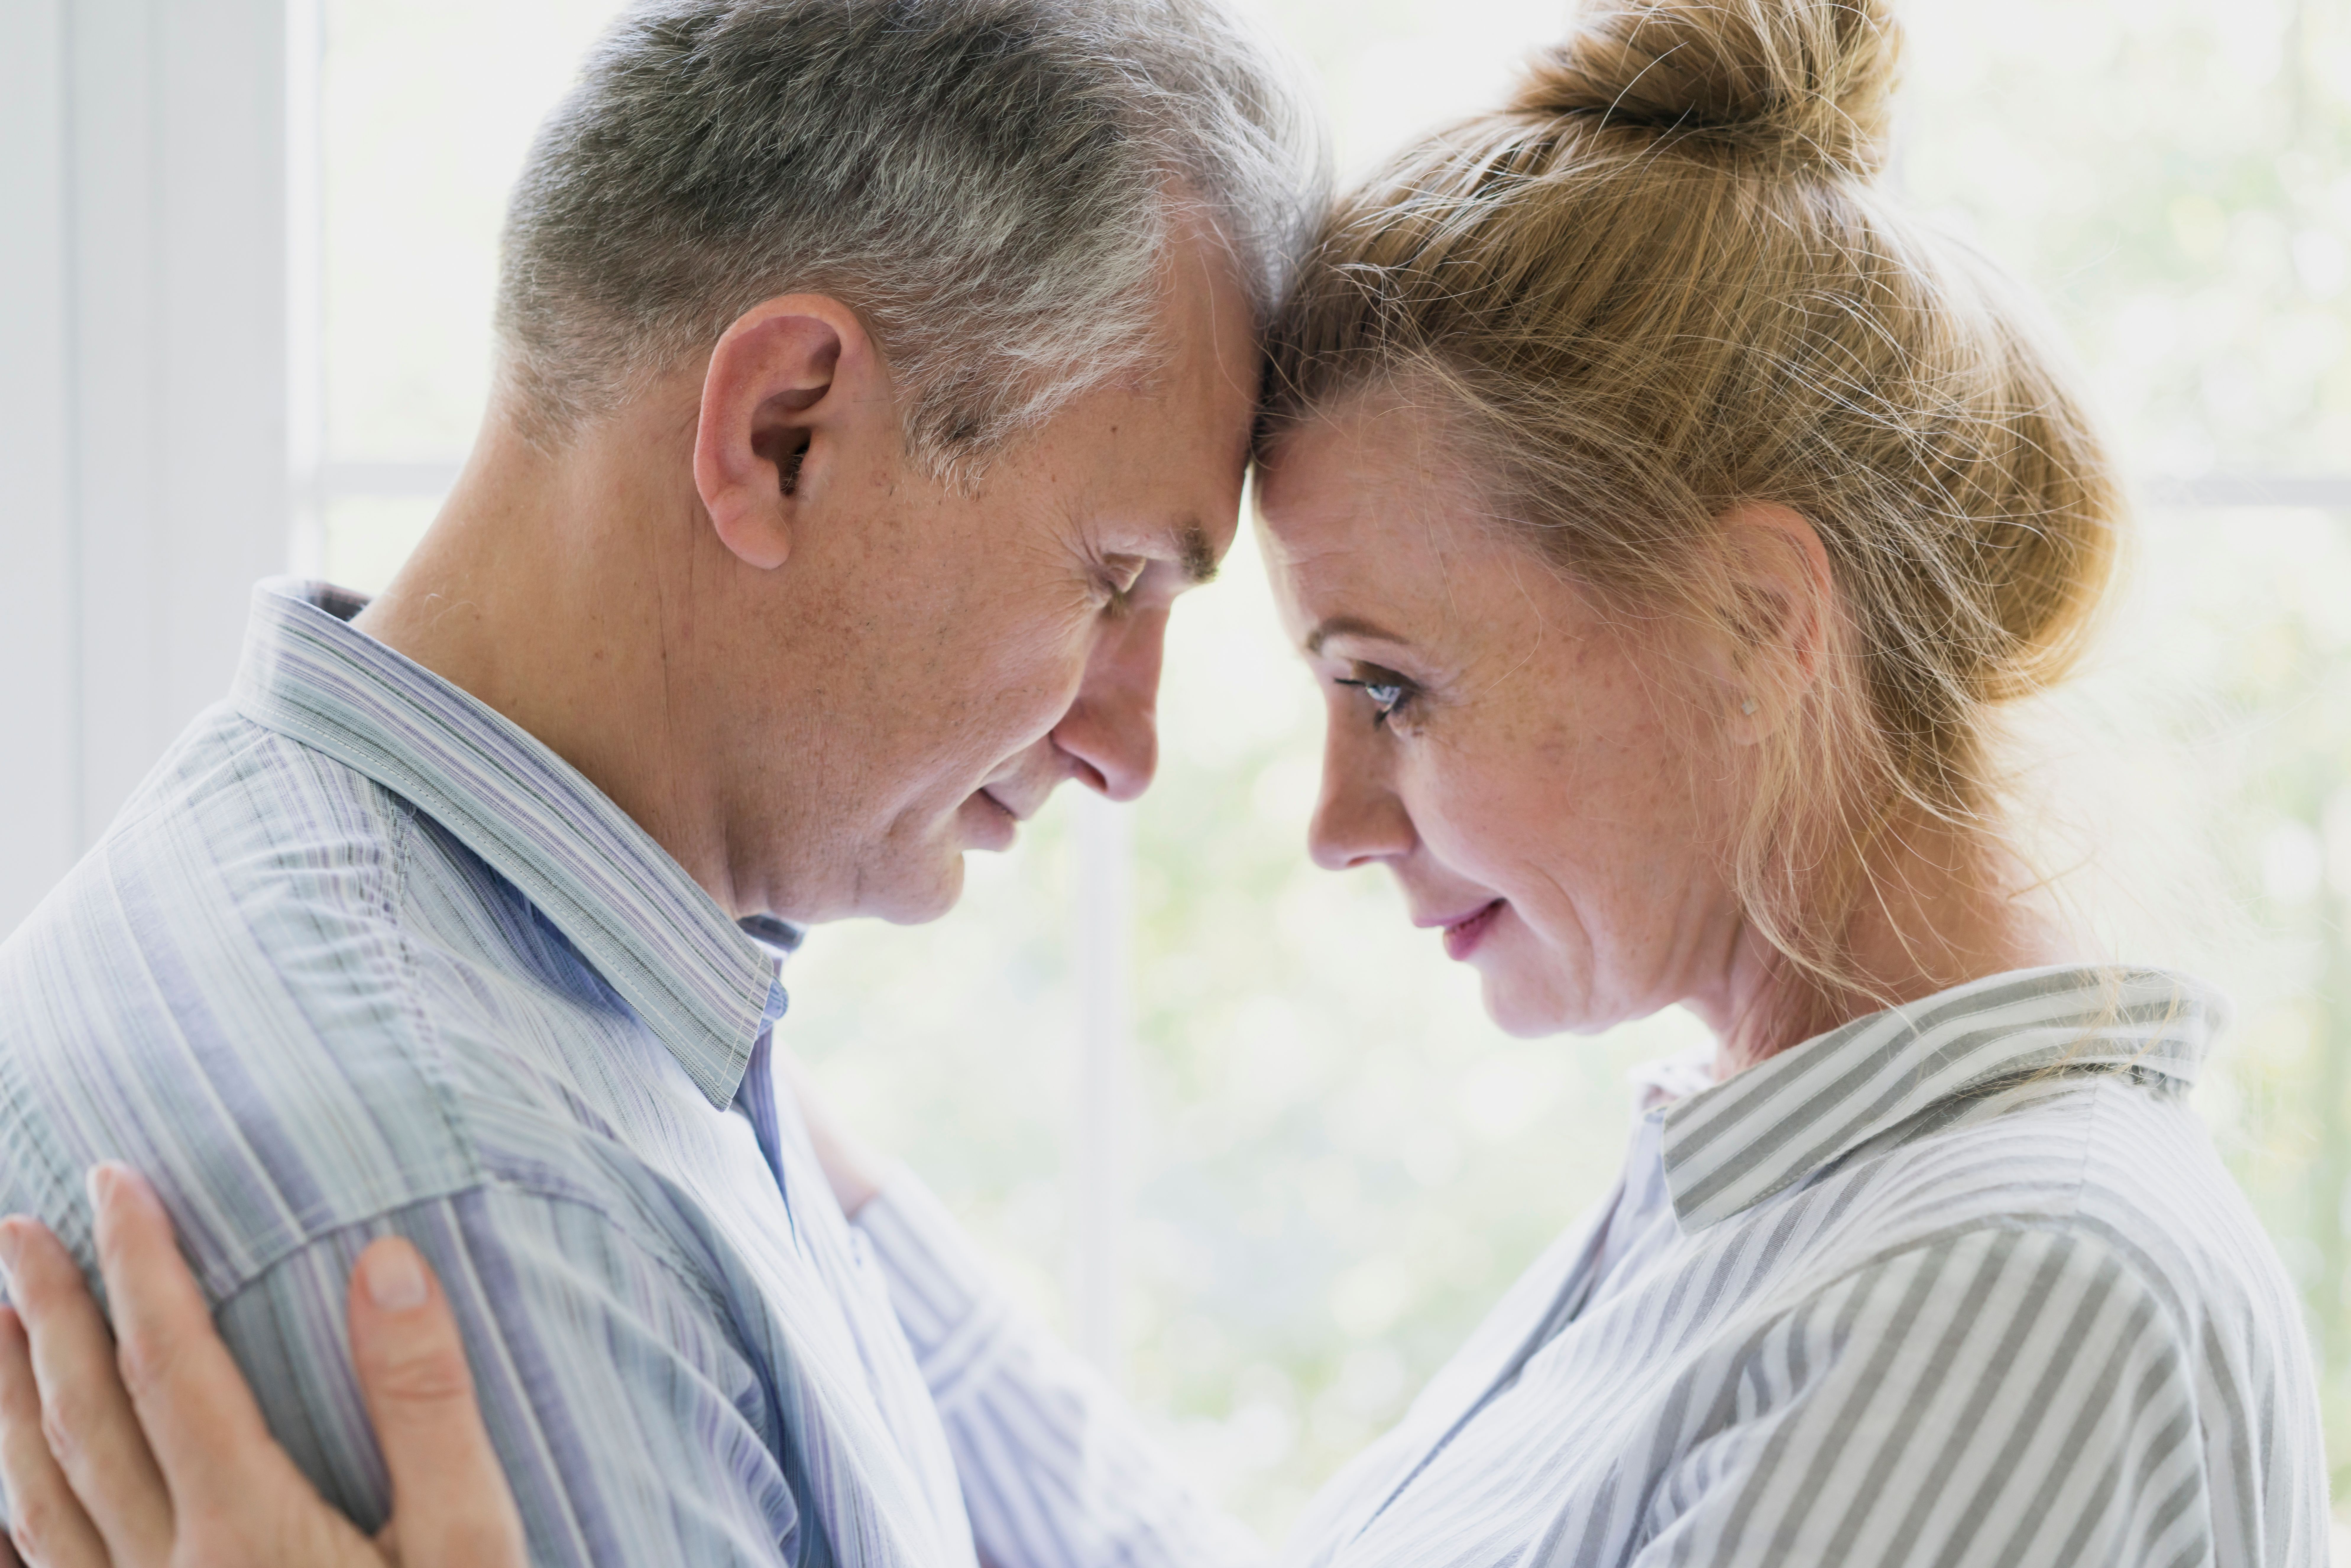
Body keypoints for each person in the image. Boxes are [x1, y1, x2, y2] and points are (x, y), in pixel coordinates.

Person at [2, 0, 2330, 1564]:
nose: (1180, 764)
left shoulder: (2017, 1290)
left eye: (1389, 682)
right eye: (1123, 577)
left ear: (1758, 626)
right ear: (780, 428)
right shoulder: (507, 1160)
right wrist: (799, 1185)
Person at [0, 0, 1321, 1563]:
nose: (1130, 742)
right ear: (783, 435)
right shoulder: (491, 1207)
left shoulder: (566, 996)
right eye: (1113, 582)